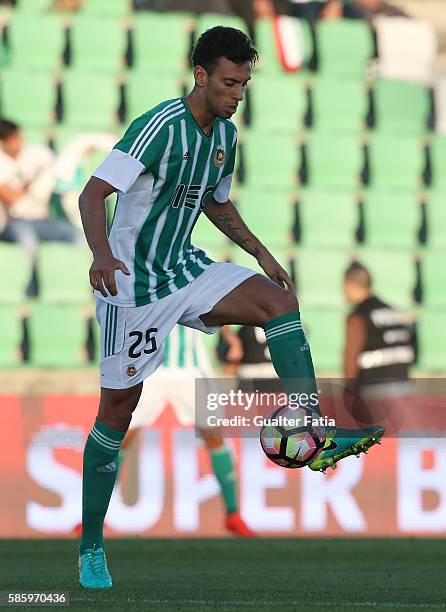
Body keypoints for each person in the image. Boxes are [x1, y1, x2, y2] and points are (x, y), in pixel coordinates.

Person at [77, 26, 383, 589]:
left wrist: (263, 254)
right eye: (228, 82)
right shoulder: (158, 127)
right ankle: (92, 546)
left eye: (244, 83)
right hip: (133, 286)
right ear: (200, 75)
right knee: (116, 414)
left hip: (185, 269)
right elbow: (93, 193)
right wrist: (100, 254)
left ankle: (310, 427)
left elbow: (216, 204)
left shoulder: (225, 136)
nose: (237, 93)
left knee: (279, 301)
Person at [120, 324, 255, 537]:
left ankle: (233, 515)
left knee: (214, 436)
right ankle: (91, 517)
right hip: (149, 366)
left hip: (191, 368)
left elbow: (213, 297)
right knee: (121, 437)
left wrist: (230, 336)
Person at [0, 119, 82, 296]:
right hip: (12, 223)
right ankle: (33, 286)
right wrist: (35, 181)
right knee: (27, 240)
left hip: (42, 219)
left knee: (78, 237)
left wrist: (38, 181)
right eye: (13, 139)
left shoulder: (36, 153)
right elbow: (13, 200)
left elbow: (58, 175)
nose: (18, 141)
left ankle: (91, 286)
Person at [343, 262, 415, 424]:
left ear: (350, 284)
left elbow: (350, 355)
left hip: (374, 390)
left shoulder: (359, 315)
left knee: (373, 443)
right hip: (402, 385)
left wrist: (349, 393)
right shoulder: (394, 312)